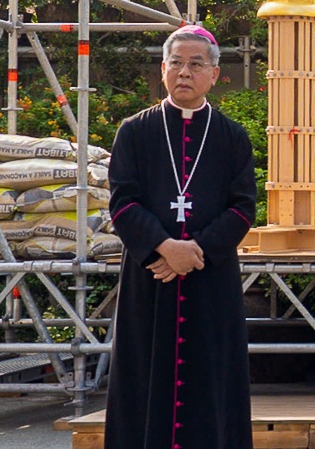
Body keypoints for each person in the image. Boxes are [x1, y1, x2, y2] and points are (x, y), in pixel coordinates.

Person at [106, 25, 257, 449]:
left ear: (214, 74)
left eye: (195, 64)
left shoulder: (232, 135)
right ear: (163, 70)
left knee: (211, 382)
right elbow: (121, 201)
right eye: (176, 63)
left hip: (210, 279)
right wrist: (165, 247)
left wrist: (196, 251)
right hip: (150, 277)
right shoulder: (134, 131)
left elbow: (243, 207)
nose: (184, 72)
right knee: (143, 376)